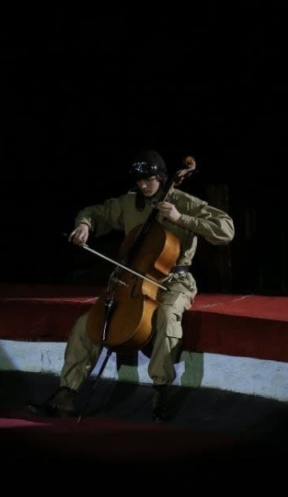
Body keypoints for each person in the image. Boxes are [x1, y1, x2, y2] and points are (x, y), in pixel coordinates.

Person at [31, 149, 235, 422]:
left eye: (148, 180)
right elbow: (97, 212)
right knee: (86, 324)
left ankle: (161, 389)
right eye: (139, 180)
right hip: (132, 279)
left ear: (161, 177)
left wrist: (181, 219)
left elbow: (226, 229)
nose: (143, 185)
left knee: (167, 316)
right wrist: (85, 225)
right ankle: (66, 392)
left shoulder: (182, 202)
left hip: (175, 280)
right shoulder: (130, 203)